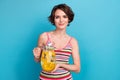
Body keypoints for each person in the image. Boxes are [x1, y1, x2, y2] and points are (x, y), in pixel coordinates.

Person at [33, 3, 80, 80]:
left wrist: (60, 64)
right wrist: (37, 56)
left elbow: (77, 68)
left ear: (69, 19)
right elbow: (38, 60)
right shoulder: (44, 37)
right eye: (57, 17)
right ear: (53, 19)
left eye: (64, 16)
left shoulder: (73, 41)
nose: (61, 20)